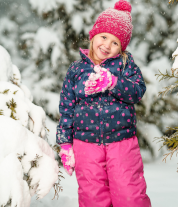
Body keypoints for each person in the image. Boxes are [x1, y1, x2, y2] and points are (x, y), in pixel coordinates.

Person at [56, 0, 151, 206]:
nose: (107, 45)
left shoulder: (126, 65)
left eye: (115, 42)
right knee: (92, 196)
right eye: (104, 37)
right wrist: (65, 144)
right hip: (85, 144)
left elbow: (137, 91)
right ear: (94, 36)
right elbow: (67, 107)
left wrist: (113, 82)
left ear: (121, 48)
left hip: (122, 143)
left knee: (129, 194)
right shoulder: (76, 69)